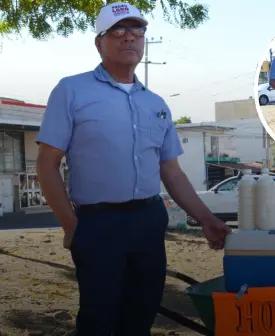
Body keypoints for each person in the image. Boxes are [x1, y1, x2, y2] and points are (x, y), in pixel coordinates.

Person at [35, 2, 231, 335]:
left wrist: (207, 219)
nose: (130, 38)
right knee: (99, 318)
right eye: (119, 31)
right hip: (98, 223)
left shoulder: (155, 104)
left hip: (148, 221)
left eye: (136, 31)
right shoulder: (71, 90)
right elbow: (46, 164)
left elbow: (172, 172)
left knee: (141, 313)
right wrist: (72, 227)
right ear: (100, 42)